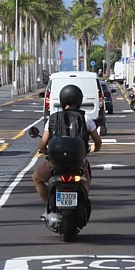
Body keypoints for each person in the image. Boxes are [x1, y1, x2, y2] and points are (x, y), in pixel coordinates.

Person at [32, 85, 102, 218]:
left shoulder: (52, 119)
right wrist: (94, 148)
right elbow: (97, 142)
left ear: (62, 100)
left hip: (55, 163)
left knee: (37, 178)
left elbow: (42, 144)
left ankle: (48, 206)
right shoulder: (86, 119)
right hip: (78, 163)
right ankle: (84, 198)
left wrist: (44, 151)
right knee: (86, 181)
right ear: (79, 100)